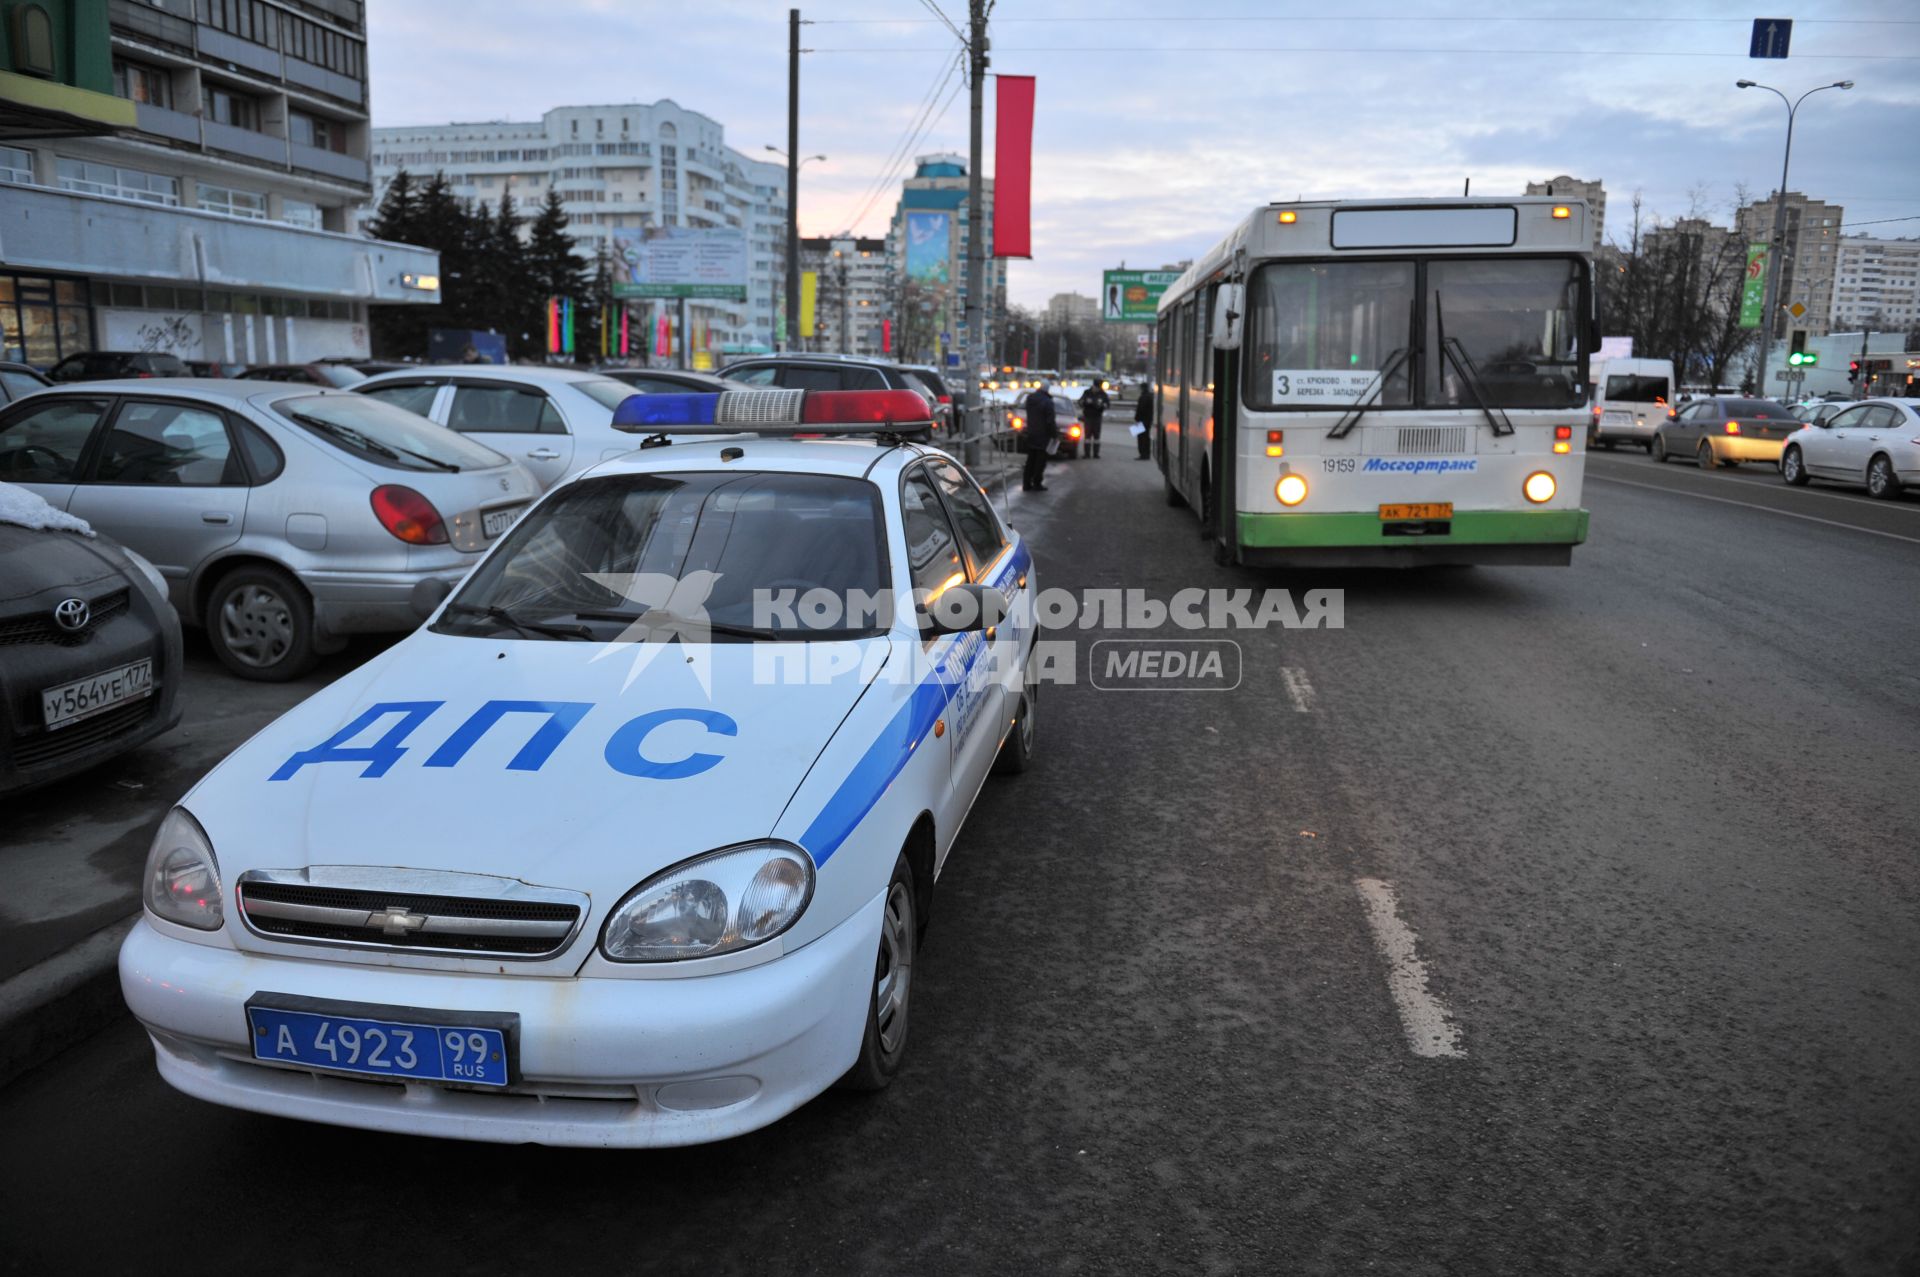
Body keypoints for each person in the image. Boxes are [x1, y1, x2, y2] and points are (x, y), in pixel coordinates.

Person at [1020, 378, 1058, 492]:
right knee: (1040, 461)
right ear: (1047, 389)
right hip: (1043, 435)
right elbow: (1050, 421)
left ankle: (1026, 483)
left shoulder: (1030, 399)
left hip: (1031, 433)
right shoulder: (1048, 402)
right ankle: (1037, 483)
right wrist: (1054, 434)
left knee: (1030, 459)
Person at [1078, 378, 1111, 459]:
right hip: (1088, 417)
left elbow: (1108, 404)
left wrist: (1101, 405)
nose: (1098, 389)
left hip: (1097, 417)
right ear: (1094, 386)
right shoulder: (1087, 392)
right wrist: (1086, 402)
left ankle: (1096, 454)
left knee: (1097, 436)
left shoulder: (1102, 394)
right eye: (1097, 387)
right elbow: (1080, 402)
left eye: (1099, 387)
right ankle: (1087, 454)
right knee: (1087, 436)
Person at [1134, 383, 1154, 459]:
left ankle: (1143, 454)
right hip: (1148, 420)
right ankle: (1147, 454)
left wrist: (1136, 418)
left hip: (1141, 420)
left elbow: (1140, 409)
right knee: (1146, 438)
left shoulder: (1143, 397)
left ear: (1142, 388)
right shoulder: (1149, 396)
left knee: (1141, 438)